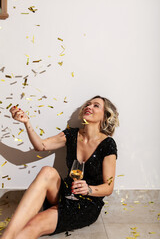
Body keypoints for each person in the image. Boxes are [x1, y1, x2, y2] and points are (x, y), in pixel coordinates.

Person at [1, 95, 119, 239]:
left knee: (34, 224)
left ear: (105, 116)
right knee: (47, 171)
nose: (89, 107)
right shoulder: (71, 134)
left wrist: (88, 189)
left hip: (86, 203)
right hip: (66, 192)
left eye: (96, 105)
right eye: (88, 104)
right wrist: (26, 122)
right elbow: (41, 146)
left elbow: (109, 187)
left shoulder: (108, 144)